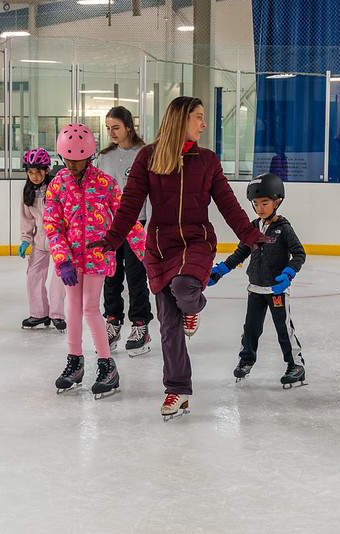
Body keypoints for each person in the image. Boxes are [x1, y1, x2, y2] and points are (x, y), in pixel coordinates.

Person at [87, 96, 273, 419]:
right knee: (168, 326)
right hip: (159, 246)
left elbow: (228, 204)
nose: (204, 124)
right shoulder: (148, 158)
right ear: (180, 120)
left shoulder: (208, 161)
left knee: (186, 288)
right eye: (199, 117)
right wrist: (113, 238)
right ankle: (177, 391)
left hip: (196, 241)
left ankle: (193, 308)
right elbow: (130, 204)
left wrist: (250, 234)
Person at [44, 123, 145, 397]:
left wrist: (144, 252)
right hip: (71, 261)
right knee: (71, 308)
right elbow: (52, 225)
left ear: (88, 156)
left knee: (90, 308)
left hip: (98, 257)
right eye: (67, 159)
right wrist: (62, 260)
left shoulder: (105, 184)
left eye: (77, 159)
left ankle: (106, 365)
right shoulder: (57, 185)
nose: (72, 164)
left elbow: (127, 220)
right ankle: (75, 362)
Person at [207, 173, 307, 387]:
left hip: (277, 289)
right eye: (256, 203)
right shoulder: (252, 227)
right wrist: (220, 270)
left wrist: (288, 274)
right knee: (251, 328)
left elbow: (299, 254)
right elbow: (241, 252)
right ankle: (246, 360)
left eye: (265, 203)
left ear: (277, 202)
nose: (260, 208)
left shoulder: (284, 229)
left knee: (283, 329)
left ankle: (295, 365)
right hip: (255, 288)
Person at [97, 106, 153, 356]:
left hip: (136, 225)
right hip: (110, 227)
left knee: (136, 276)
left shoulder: (145, 154)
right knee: (111, 276)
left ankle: (140, 323)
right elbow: (98, 193)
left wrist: (150, 225)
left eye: (116, 127)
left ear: (129, 126)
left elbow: (152, 193)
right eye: (108, 128)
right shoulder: (104, 157)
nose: (111, 132)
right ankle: (112, 321)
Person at [18, 148, 66, 332]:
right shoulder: (27, 192)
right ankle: (39, 313)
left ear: (47, 170)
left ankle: (57, 314)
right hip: (39, 241)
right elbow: (27, 218)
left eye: (38, 171)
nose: (34, 176)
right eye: (30, 172)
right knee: (34, 275)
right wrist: (25, 239)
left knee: (60, 277)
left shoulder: (57, 187)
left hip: (59, 239)